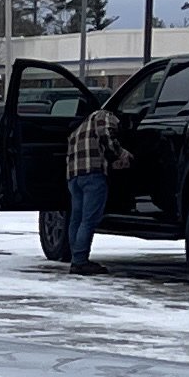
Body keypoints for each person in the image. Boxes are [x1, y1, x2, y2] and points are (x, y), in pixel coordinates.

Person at [55, 91, 123, 273]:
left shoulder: (77, 128)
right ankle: (81, 261)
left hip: (74, 177)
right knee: (89, 220)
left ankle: (75, 257)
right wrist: (120, 154)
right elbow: (107, 135)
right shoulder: (102, 115)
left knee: (76, 219)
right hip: (93, 175)